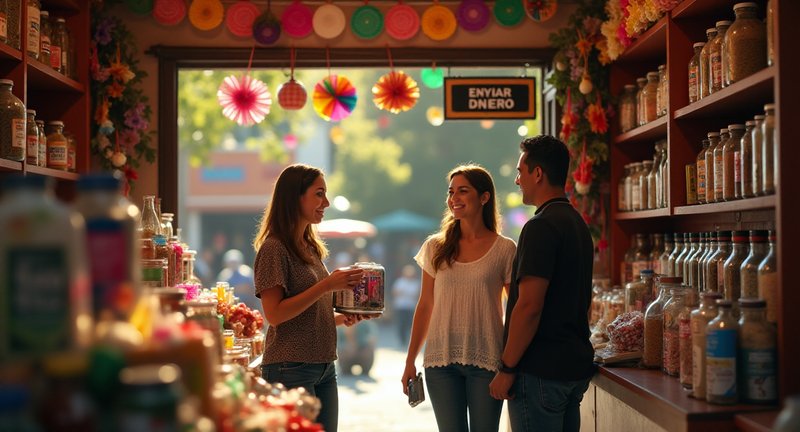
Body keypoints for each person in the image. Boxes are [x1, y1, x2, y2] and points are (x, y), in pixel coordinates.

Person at [489, 135, 595, 432]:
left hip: (541, 371)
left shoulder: (540, 227)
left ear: (538, 173)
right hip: (571, 367)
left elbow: (529, 305)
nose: (517, 180)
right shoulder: (576, 223)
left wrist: (507, 367)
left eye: (521, 172)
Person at [253, 163, 369, 432]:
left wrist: (342, 318)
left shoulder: (310, 247)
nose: (326, 202)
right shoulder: (273, 249)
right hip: (289, 368)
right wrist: (326, 285)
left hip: (324, 366)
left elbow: (307, 314)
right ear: (295, 196)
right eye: (319, 193)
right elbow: (275, 314)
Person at [401, 164, 516, 432]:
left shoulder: (505, 249)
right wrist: (409, 361)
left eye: (463, 191)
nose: (454, 198)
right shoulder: (435, 247)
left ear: (484, 197)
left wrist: (510, 365)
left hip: (488, 360)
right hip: (440, 363)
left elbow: (515, 310)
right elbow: (425, 306)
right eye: (451, 192)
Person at [392, 264, 421, 347]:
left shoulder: (416, 283)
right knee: (401, 324)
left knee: (410, 324)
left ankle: (410, 340)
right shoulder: (400, 281)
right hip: (401, 306)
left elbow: (418, 294)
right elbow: (395, 292)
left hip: (411, 306)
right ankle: (402, 340)